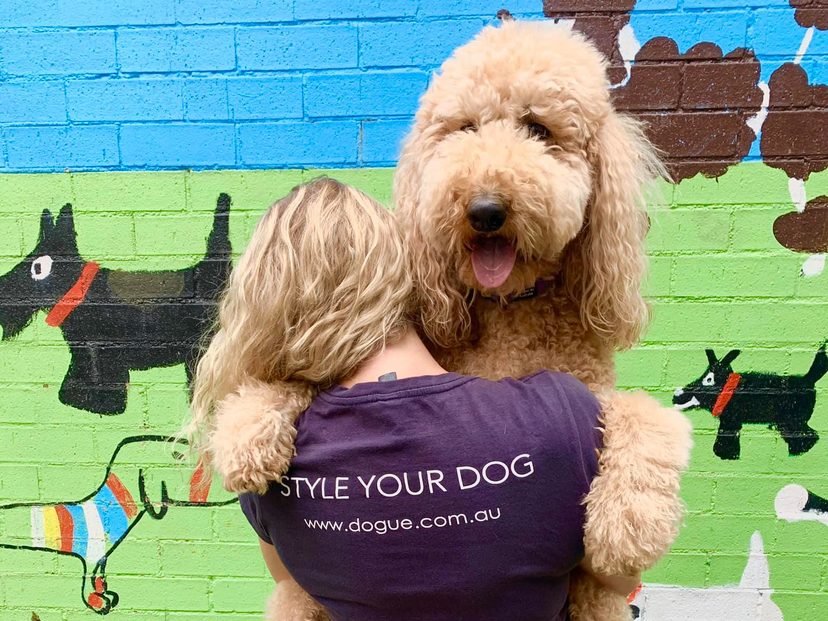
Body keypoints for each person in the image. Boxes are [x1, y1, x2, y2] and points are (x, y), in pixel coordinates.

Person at [187, 177, 639, 621]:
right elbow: (618, 578)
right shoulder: (561, 414)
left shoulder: (261, 455)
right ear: (402, 272)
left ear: (265, 304)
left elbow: (290, 583)